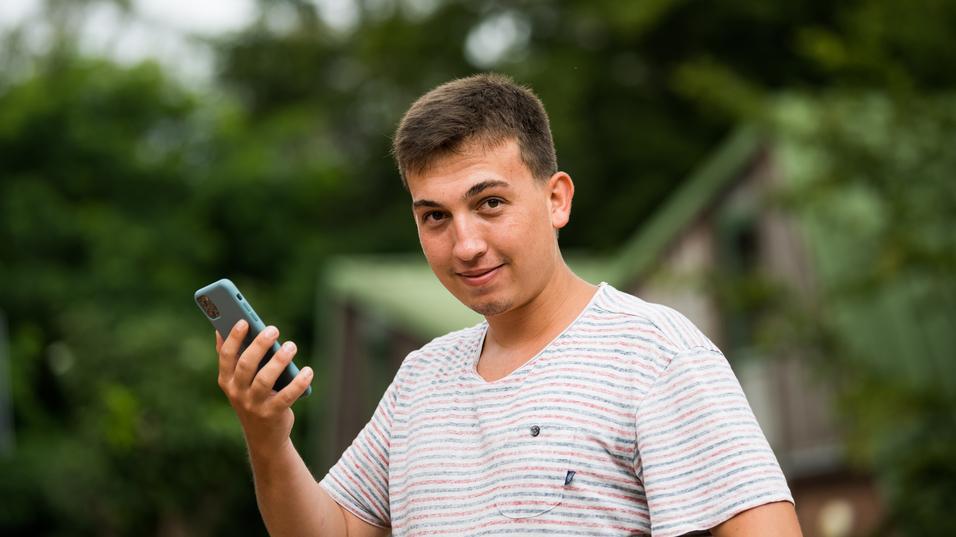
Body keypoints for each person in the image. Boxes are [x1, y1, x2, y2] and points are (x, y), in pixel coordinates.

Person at [215, 73, 804, 536]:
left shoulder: (651, 352)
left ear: (557, 199)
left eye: (490, 203)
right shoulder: (421, 379)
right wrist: (267, 436)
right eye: (435, 217)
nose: (466, 245)